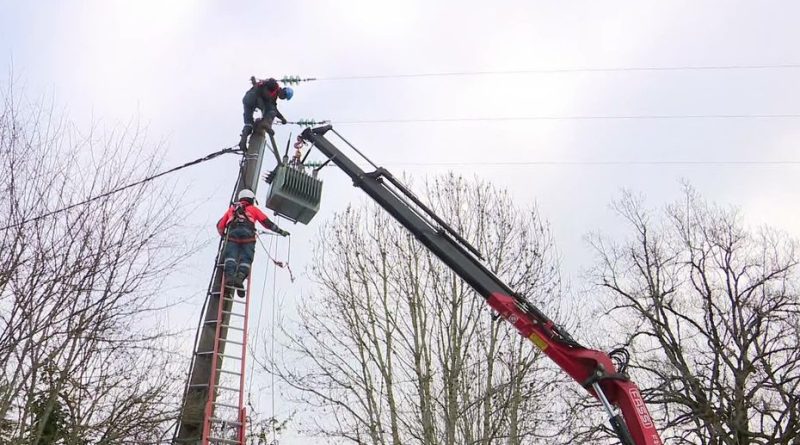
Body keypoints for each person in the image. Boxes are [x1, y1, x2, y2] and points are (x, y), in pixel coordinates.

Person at [217, 189, 289, 295]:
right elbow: (266, 222)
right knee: (246, 258)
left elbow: (219, 225)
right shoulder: (253, 210)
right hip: (248, 237)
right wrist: (280, 231)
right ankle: (240, 278)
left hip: (232, 236)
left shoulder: (232, 209)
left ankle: (229, 278)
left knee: (230, 257)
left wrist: (223, 235)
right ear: (251, 199)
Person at [239, 76, 294, 149]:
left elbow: (260, 86)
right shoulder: (275, 86)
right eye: (284, 96)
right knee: (271, 110)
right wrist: (282, 118)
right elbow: (274, 109)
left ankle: (243, 141)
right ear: (283, 91)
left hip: (247, 98)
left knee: (249, 123)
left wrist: (282, 118)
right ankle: (265, 123)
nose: (283, 98)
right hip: (255, 97)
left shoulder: (273, 97)